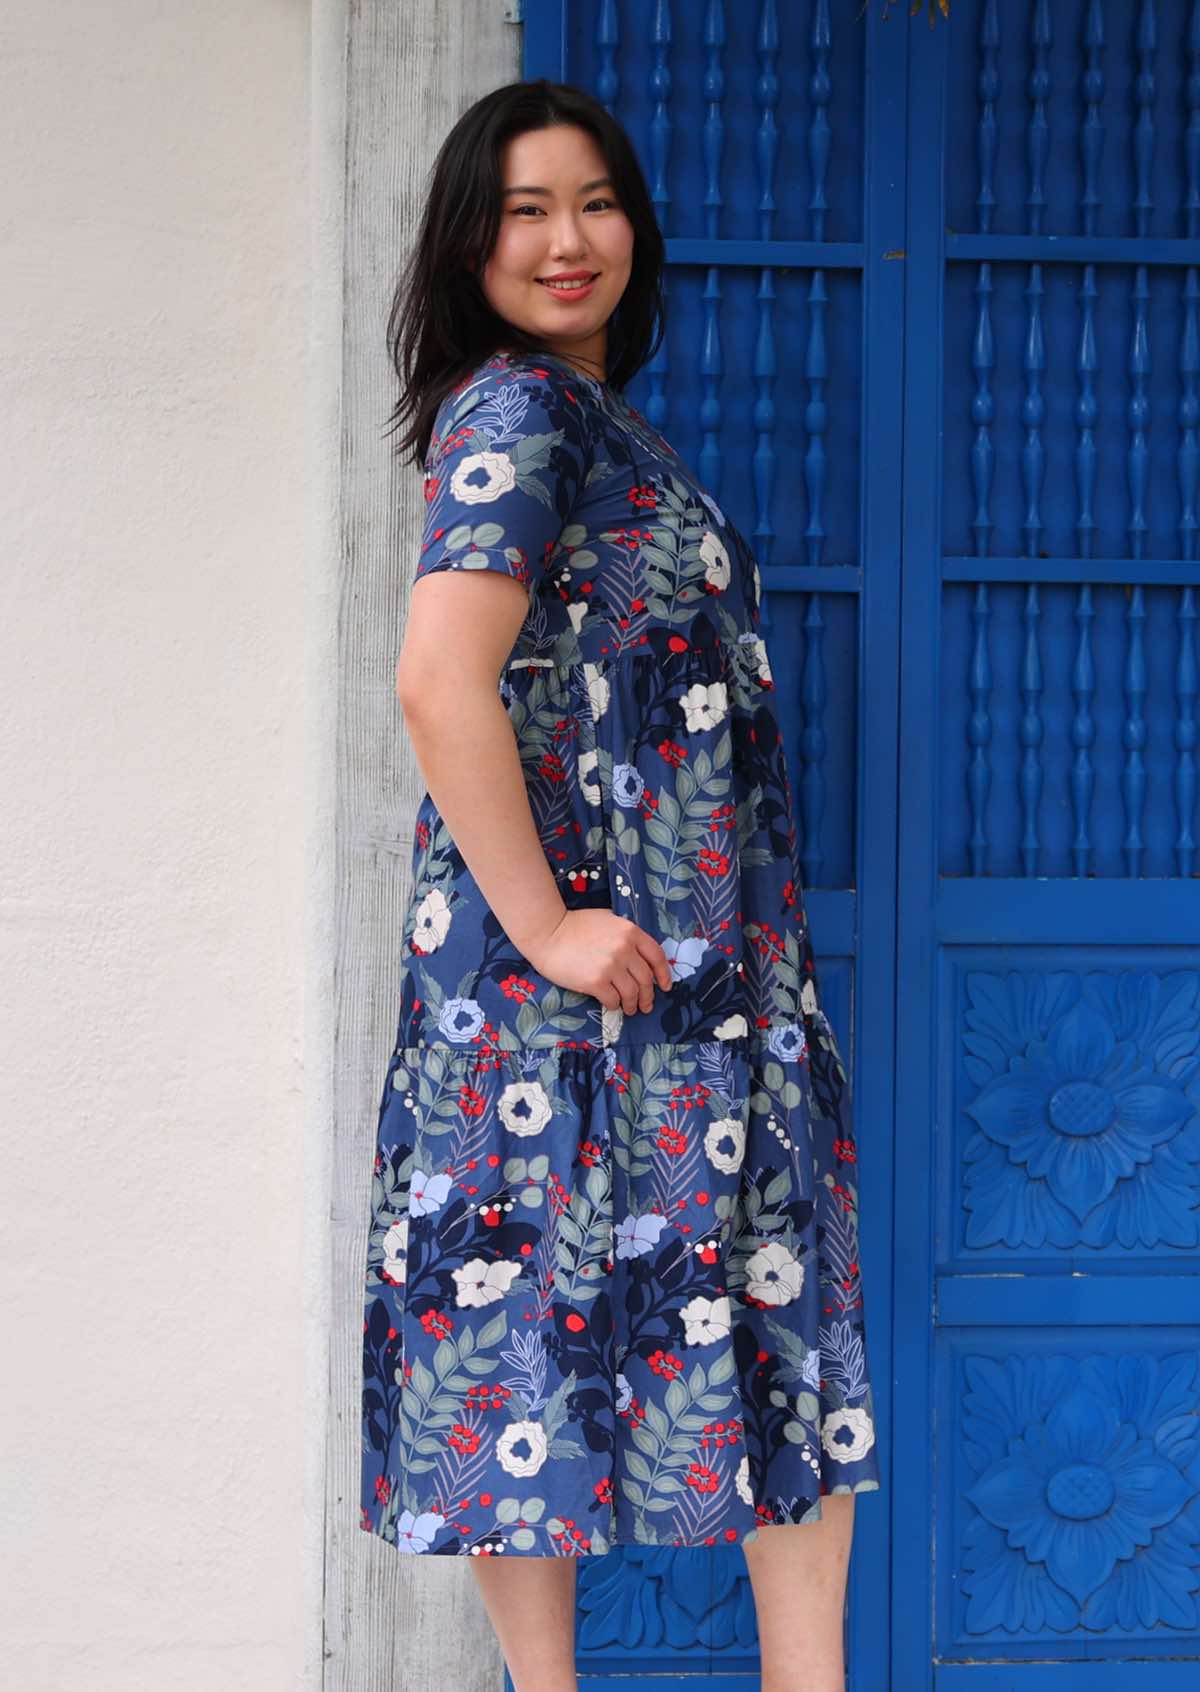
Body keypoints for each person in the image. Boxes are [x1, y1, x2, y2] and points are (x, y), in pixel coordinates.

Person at [360, 77, 880, 1692]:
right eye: (524, 209)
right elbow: (439, 682)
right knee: (523, 1358)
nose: (568, 238)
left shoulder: (583, 419)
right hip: (576, 998)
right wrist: (547, 926)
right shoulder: (515, 413)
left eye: (595, 201)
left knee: (767, 1351)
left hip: (698, 984)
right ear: (467, 240)